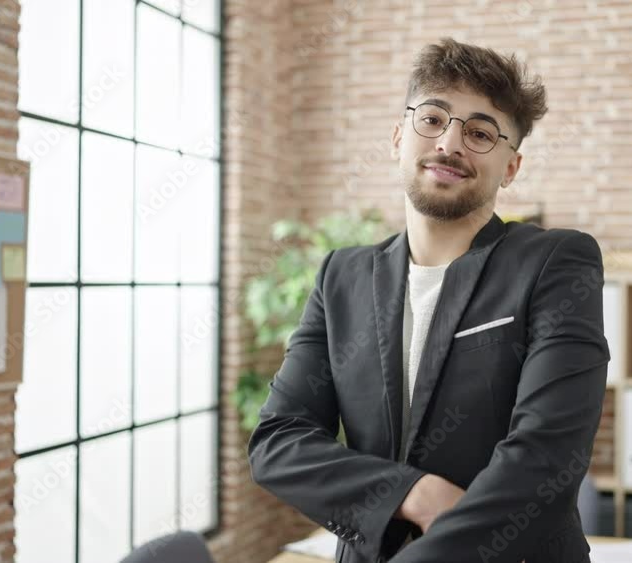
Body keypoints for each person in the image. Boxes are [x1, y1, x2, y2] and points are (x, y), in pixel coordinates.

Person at [248, 37, 609, 563]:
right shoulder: (340, 276)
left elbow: (546, 457)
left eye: (481, 132)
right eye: (433, 119)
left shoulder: (556, 262)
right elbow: (278, 442)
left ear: (511, 167)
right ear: (399, 138)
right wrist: (414, 494)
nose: (451, 143)